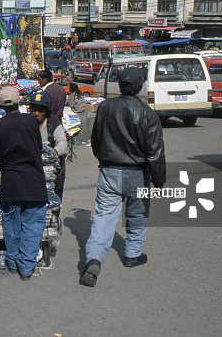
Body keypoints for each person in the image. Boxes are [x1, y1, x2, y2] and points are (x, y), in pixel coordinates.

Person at [80, 67, 166, 287]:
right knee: (137, 214)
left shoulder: (106, 107)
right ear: (140, 86)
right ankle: (132, 255)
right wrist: (159, 180)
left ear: (119, 85)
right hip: (137, 173)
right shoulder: (148, 113)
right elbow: (155, 152)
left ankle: (94, 258)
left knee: (103, 216)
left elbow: (96, 139)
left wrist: (103, 159)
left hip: (110, 170)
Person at [0, 86, 47, 281]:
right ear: (20, 102)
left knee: (12, 226)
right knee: (32, 226)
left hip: (11, 183)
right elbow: (38, 147)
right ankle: (26, 269)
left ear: (1, 106)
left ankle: (12, 263)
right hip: (34, 182)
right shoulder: (31, 121)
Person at [28, 92, 69, 199]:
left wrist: (55, 152)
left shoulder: (53, 123)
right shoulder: (26, 123)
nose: (36, 113)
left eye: (40, 111)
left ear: (46, 112)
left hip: (52, 172)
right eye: (33, 110)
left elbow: (62, 141)